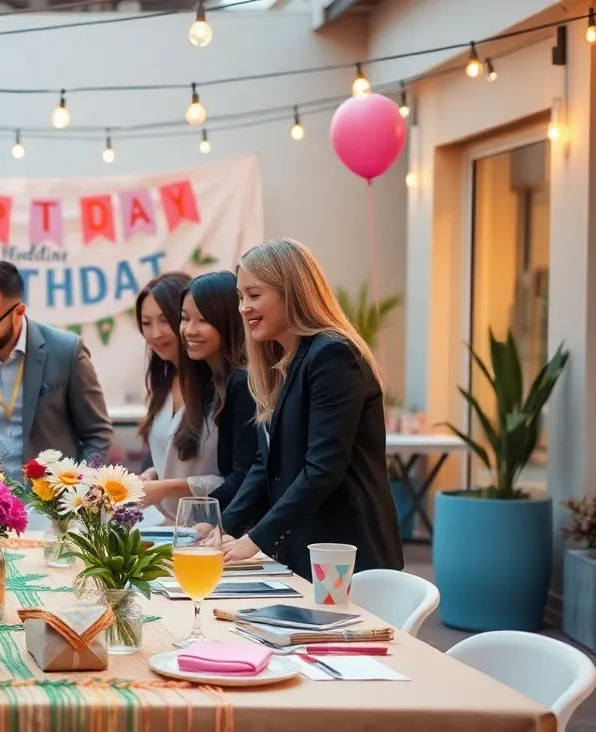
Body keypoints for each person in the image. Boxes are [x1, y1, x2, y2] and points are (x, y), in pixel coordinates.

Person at [219, 238, 404, 579]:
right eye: (240, 296)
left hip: (345, 550)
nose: (244, 307)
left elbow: (323, 469)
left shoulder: (332, 355)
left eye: (254, 295)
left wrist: (255, 539)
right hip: (305, 548)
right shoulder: (284, 361)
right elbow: (266, 463)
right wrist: (222, 525)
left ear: (291, 292)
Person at [0, 260, 113, 484]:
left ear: (18, 312)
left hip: (52, 505)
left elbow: (98, 433)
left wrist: (81, 488)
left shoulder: (66, 351)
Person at [140, 271, 259, 523]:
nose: (156, 334)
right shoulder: (190, 379)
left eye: (203, 320)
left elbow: (240, 475)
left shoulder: (239, 383)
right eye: (185, 319)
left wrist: (167, 488)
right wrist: (155, 475)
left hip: (221, 528)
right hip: (182, 523)